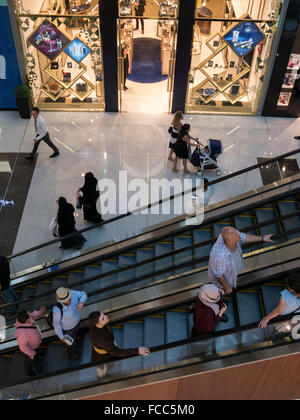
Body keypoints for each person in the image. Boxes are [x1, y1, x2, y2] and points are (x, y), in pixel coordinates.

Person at [208, 227, 274, 295]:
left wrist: (262, 238)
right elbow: (219, 275)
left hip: (234, 271)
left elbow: (245, 237)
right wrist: (227, 287)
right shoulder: (219, 256)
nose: (239, 235)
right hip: (225, 281)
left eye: (237, 233)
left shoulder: (232, 235)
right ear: (229, 241)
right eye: (236, 235)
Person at [88, 311, 150, 379]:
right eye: (103, 318)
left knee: (108, 365)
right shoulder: (101, 340)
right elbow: (117, 352)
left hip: (106, 348)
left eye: (104, 315)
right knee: (101, 369)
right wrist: (137, 351)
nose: (106, 317)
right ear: (97, 324)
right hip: (101, 357)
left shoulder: (96, 324)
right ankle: (101, 378)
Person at [53, 287, 87, 360]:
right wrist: (61, 336)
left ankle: (75, 344)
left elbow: (83, 294)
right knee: (70, 344)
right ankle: (71, 354)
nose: (70, 300)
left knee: (74, 337)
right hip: (68, 330)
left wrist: (81, 302)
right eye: (67, 300)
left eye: (69, 298)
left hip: (77, 323)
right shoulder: (57, 310)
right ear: (61, 301)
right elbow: (56, 324)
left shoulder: (72, 293)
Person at [15, 307, 46, 376]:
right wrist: (32, 353)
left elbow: (32, 314)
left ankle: (37, 355)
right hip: (30, 351)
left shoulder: (23, 319)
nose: (30, 313)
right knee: (29, 361)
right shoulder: (22, 335)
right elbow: (23, 348)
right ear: (27, 320)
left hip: (34, 345)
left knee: (36, 352)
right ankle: (29, 372)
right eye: (29, 314)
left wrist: (39, 312)